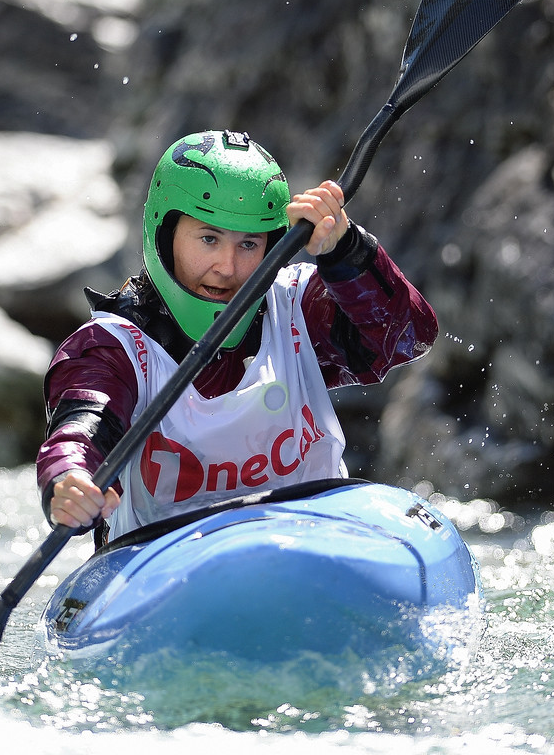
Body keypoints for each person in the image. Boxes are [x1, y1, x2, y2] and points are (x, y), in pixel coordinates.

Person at [37, 129, 438, 547]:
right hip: (168, 570)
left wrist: (346, 249)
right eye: (209, 239)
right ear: (165, 232)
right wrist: (70, 479)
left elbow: (407, 337)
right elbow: (81, 430)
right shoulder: (110, 348)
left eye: (249, 244)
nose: (227, 268)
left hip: (313, 545)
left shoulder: (298, 306)